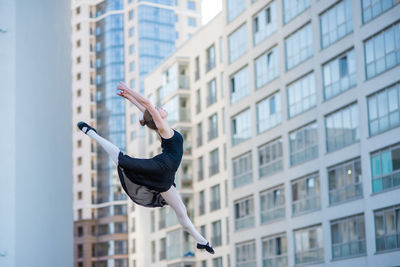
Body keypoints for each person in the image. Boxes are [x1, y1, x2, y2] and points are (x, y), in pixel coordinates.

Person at [77, 81, 215, 254]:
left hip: (166, 177)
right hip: (161, 167)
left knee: (182, 212)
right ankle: (91, 133)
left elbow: (147, 111)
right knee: (123, 160)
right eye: (158, 109)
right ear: (157, 115)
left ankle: (202, 241)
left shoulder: (160, 126)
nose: (160, 108)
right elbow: (149, 107)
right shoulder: (163, 129)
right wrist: (129, 91)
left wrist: (130, 99)